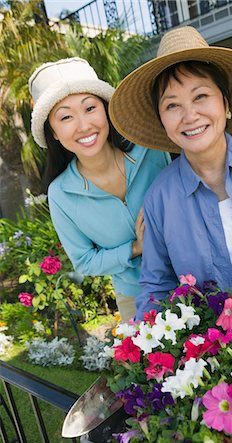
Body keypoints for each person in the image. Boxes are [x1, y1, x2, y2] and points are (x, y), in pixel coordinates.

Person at [109, 26, 232, 320]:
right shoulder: (160, 197)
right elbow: (157, 284)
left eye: (200, 96)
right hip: (208, 357)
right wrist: (141, 341)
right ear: (162, 121)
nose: (190, 116)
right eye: (172, 105)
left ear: (226, 104)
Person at [28, 57, 171, 322]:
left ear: (106, 109)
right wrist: (136, 248)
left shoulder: (151, 150)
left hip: (193, 276)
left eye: (90, 108)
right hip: (135, 297)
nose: (84, 126)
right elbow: (84, 260)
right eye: (66, 116)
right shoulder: (61, 194)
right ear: (54, 132)